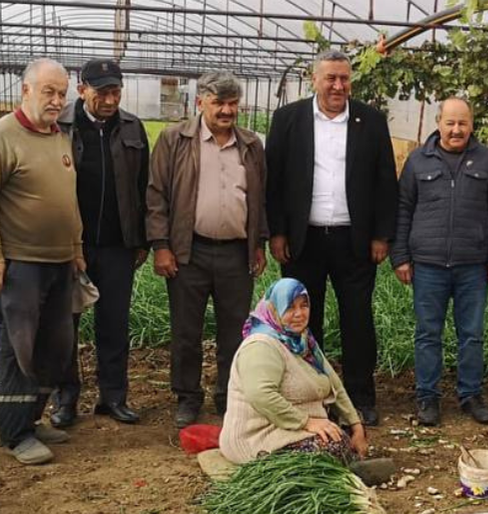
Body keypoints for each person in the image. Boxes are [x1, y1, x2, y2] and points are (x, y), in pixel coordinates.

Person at [265, 49, 399, 426]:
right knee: (305, 321)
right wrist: (277, 232)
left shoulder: (370, 121)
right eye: (330, 78)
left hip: (354, 241)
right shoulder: (288, 119)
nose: (338, 86)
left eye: (344, 78)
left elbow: (385, 182)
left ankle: (360, 397)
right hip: (302, 241)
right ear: (314, 80)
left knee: (358, 320)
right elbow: (273, 182)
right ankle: (314, 396)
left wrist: (381, 235)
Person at [0, 58, 82, 465]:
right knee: (18, 348)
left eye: (62, 93)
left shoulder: (57, 137)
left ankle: (33, 418)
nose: (57, 101)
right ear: (26, 90)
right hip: (20, 264)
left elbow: (68, 199)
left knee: (55, 345)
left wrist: (76, 248)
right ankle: (15, 434)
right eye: (49, 92)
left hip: (59, 263)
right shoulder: (1, 136)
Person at [146, 71, 268, 427]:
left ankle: (229, 395)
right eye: (218, 103)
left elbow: (261, 198)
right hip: (189, 252)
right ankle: (188, 396)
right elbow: (156, 195)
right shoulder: (175, 140)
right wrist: (161, 246)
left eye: (232, 103)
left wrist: (258, 243)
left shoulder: (251, 145)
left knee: (235, 331)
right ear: (200, 102)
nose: (227, 110)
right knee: (187, 331)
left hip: (236, 253)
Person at [391, 97, 488, 426]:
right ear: (439, 123)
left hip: (473, 265)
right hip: (428, 265)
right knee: (428, 334)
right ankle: (427, 397)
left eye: (463, 123)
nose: (456, 130)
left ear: (471, 125)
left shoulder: (486, 159)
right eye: (450, 123)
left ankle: (471, 395)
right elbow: (402, 210)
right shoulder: (418, 160)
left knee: (471, 334)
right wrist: (400, 257)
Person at [49, 58, 150, 428]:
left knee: (114, 323)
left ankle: (113, 397)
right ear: (82, 90)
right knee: (64, 325)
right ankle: (65, 400)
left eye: (115, 92)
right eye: (102, 92)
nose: (110, 100)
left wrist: (142, 239)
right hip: (68, 245)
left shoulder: (132, 128)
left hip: (117, 245)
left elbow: (144, 187)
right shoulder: (59, 126)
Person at [219, 278, 395, 484]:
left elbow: (334, 383)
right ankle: (346, 474)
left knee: (339, 437)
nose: (299, 314)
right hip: (258, 435)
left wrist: (356, 425)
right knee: (331, 446)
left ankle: (342, 471)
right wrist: (307, 422)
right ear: (273, 309)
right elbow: (261, 395)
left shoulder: (303, 340)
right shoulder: (261, 346)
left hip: (291, 428)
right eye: (290, 307)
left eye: (304, 306)